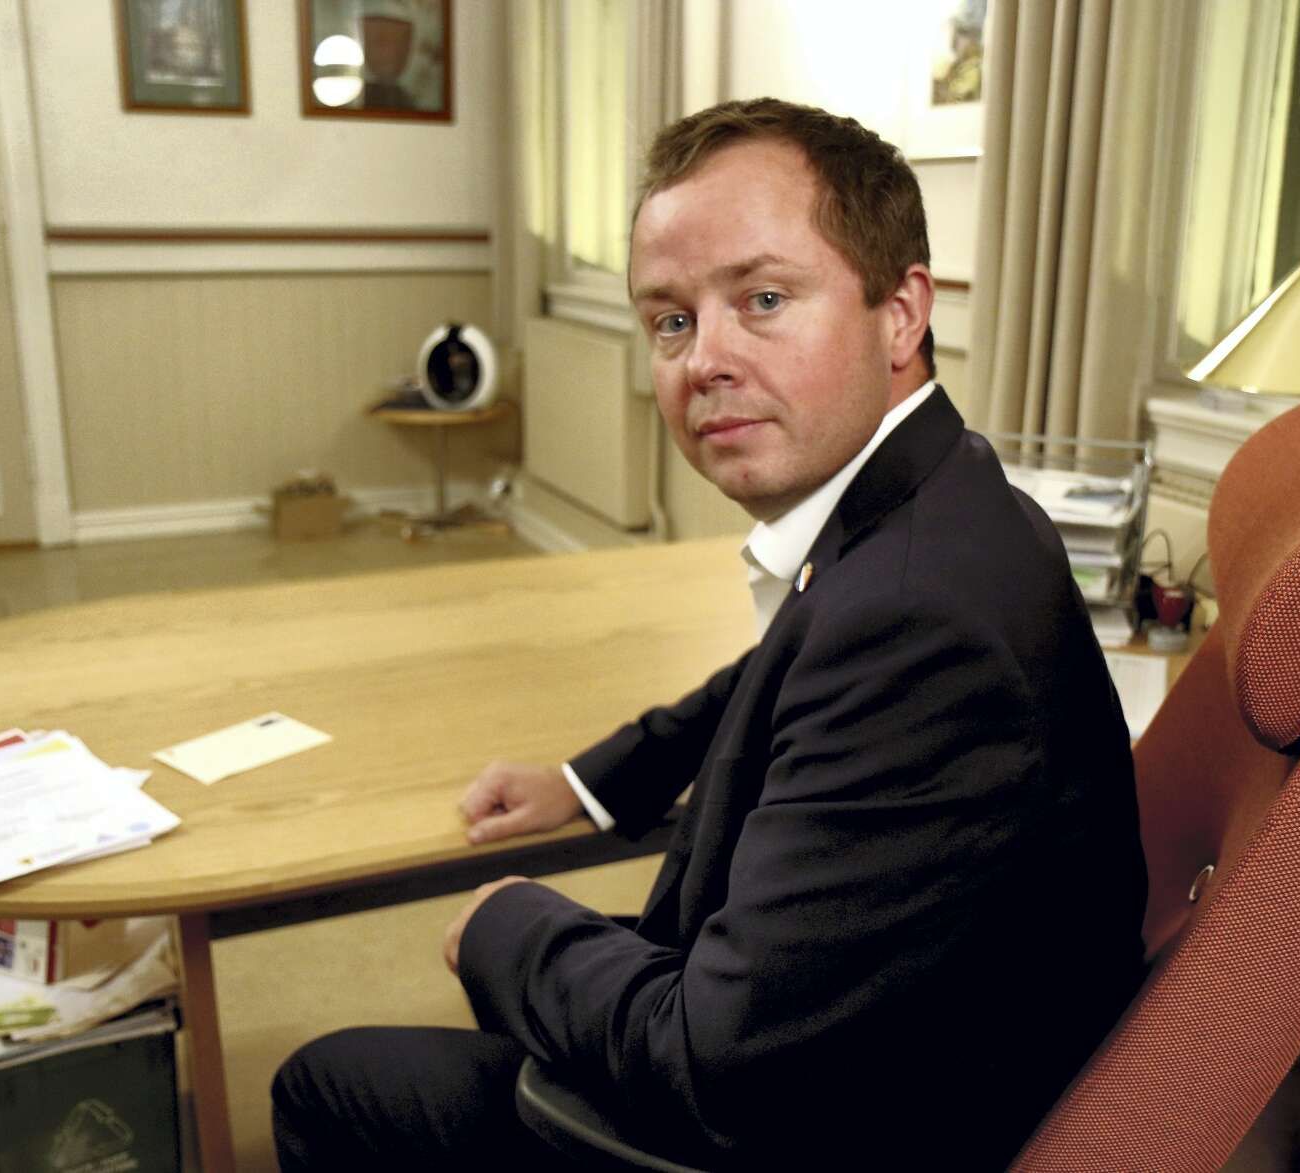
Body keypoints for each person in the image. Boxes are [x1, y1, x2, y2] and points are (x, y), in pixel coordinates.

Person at [273, 97, 1148, 1171]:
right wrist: (588, 783)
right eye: (671, 321)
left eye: (763, 299)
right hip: (882, 1034)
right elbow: (780, 670)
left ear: (900, 313)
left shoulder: (920, 626)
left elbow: (712, 1070)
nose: (703, 361)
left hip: (849, 1129)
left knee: (329, 1082)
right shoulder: (940, 497)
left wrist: (511, 924)